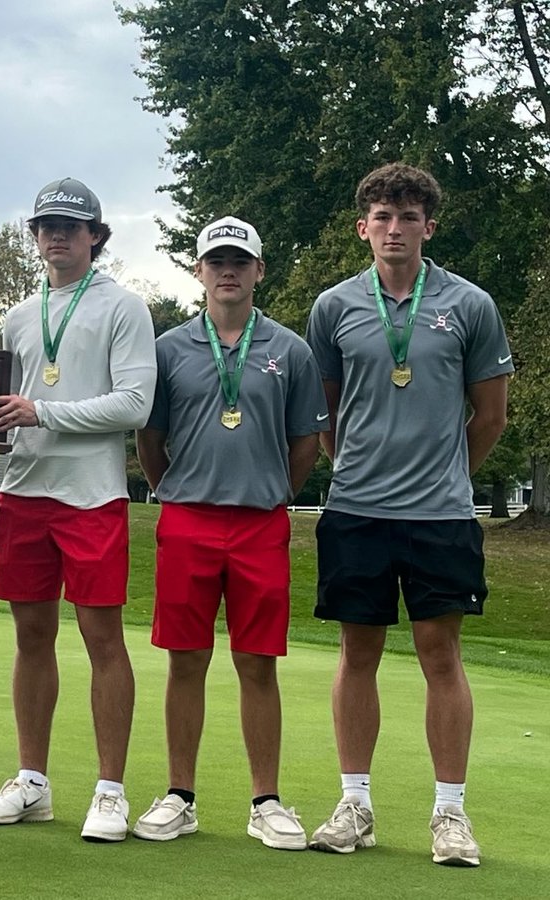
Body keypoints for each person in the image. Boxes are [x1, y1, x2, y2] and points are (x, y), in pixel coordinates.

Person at [305, 163, 512, 867]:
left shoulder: (471, 305)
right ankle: (354, 804)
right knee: (356, 654)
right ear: (363, 227)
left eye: (409, 216)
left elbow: (490, 415)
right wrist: (355, 464)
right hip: (356, 510)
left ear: (429, 225)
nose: (396, 228)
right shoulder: (333, 306)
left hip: (441, 517)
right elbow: (325, 413)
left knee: (440, 655)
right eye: (383, 217)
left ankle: (449, 815)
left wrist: (447, 475)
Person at [0, 177, 157, 842]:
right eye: (46, 226)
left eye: (71, 227)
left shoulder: (123, 307)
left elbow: (135, 404)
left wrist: (43, 411)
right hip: (22, 495)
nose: (56, 237)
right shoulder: (19, 315)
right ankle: (33, 783)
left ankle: (110, 790)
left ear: (95, 237)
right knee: (30, 639)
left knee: (103, 641)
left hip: (92, 497)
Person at [133, 216, 326, 850]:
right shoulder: (167, 349)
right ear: (198, 270)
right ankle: (180, 796)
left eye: (239, 262)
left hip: (260, 522)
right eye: (215, 260)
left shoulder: (291, 349)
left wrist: (273, 489)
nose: (227, 271)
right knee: (185, 660)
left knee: (257, 663)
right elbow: (150, 440)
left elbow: (306, 444)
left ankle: (266, 800)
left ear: (258, 271)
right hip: (187, 517)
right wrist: (175, 488)